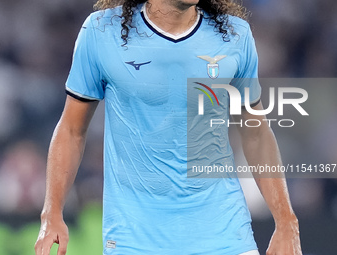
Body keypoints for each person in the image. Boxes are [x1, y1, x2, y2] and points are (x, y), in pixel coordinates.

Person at [35, 0, 302, 254]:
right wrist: (52, 213)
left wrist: (286, 220)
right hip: (134, 237)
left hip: (224, 231)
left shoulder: (235, 34)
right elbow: (72, 129)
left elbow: (256, 132)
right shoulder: (101, 32)